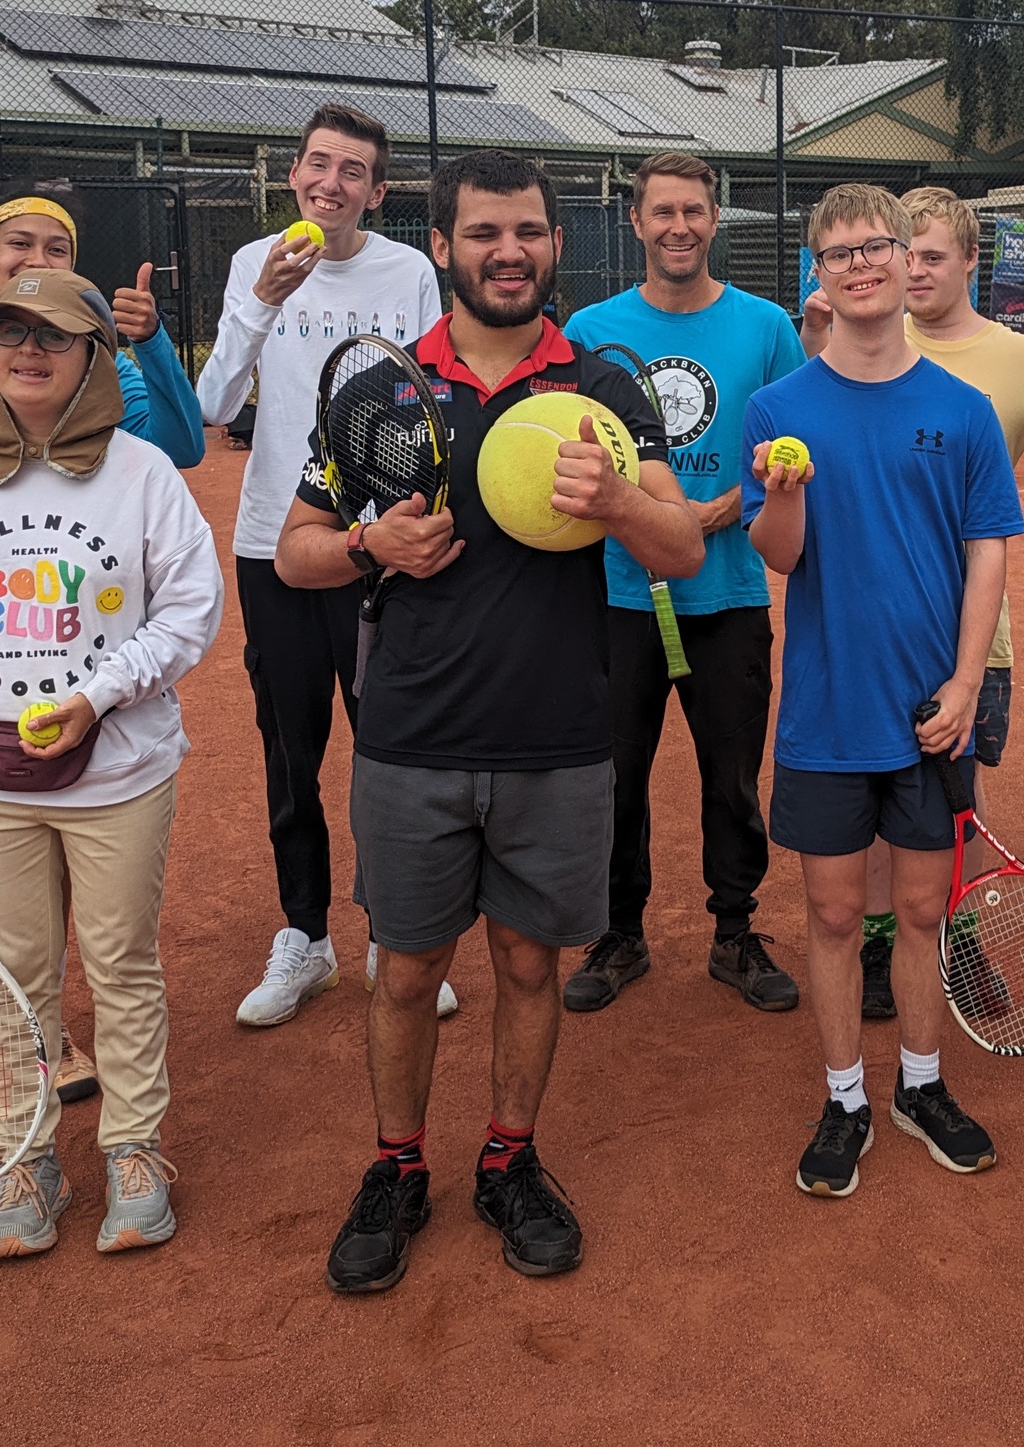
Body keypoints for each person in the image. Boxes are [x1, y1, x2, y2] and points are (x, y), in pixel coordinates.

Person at [283, 148, 703, 1295]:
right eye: (482, 234)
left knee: (527, 965)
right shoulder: (382, 391)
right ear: (442, 247)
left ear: (557, 245)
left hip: (559, 739)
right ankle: (397, 1166)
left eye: (526, 232)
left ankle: (509, 1158)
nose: (506, 253)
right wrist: (373, 543)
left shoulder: (606, 388)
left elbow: (683, 547)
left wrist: (615, 500)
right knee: (405, 972)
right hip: (411, 738)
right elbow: (297, 550)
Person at [0, 269, 224, 1260]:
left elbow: (192, 607)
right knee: (15, 977)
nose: (28, 349)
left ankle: (133, 1150)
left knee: (120, 962)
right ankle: (24, 1162)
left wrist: (100, 694)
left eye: (54, 335)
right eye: (8, 332)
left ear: (91, 358)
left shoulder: (143, 473)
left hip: (121, 768)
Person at [746, 183, 1024, 1199]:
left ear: (912, 262)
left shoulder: (960, 412)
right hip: (826, 710)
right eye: (840, 252)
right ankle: (842, 1099)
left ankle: (917, 1084)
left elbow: (986, 551)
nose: (863, 265)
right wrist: (781, 497)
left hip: (926, 715)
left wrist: (961, 684)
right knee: (828, 915)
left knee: (918, 910)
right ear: (817, 273)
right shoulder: (778, 410)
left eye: (880, 247)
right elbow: (781, 557)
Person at [194, 104, 452, 1030]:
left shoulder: (410, 271)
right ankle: (305, 935)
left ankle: (395, 929)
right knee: (290, 748)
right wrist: (263, 297)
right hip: (275, 545)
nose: (329, 183)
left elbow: (435, 395)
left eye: (351, 171)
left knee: (391, 746)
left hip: (383, 549)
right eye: (316, 165)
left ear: (376, 192)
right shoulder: (249, 267)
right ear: (293, 177)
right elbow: (215, 405)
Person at [804, 184, 1024, 1019]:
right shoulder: (850, 338)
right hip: (861, 639)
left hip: (971, 644)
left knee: (955, 802)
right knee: (869, 801)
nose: (909, 270)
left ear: (968, 262)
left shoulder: (1020, 363)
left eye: (929, 256)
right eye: (899, 252)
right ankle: (884, 947)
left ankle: (958, 938)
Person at [560, 151, 805, 1014]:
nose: (679, 227)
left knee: (731, 776)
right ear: (636, 222)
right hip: (618, 599)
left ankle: (735, 933)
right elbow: (571, 454)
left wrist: (709, 517)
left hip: (727, 596)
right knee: (612, 776)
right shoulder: (588, 331)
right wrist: (647, 521)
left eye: (694, 212)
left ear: (714, 219)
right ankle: (618, 932)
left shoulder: (766, 327)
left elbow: (786, 446)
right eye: (662, 212)